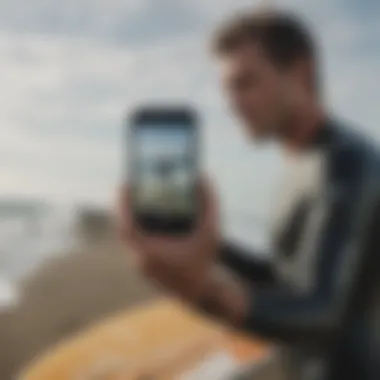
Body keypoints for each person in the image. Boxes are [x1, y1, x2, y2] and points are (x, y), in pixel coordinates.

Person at [119, 10, 380, 380]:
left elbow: (323, 312)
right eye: (228, 89)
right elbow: (285, 279)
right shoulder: (301, 162)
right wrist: (210, 243)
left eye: (245, 83)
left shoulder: (347, 162)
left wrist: (200, 288)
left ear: (302, 73)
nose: (232, 103)